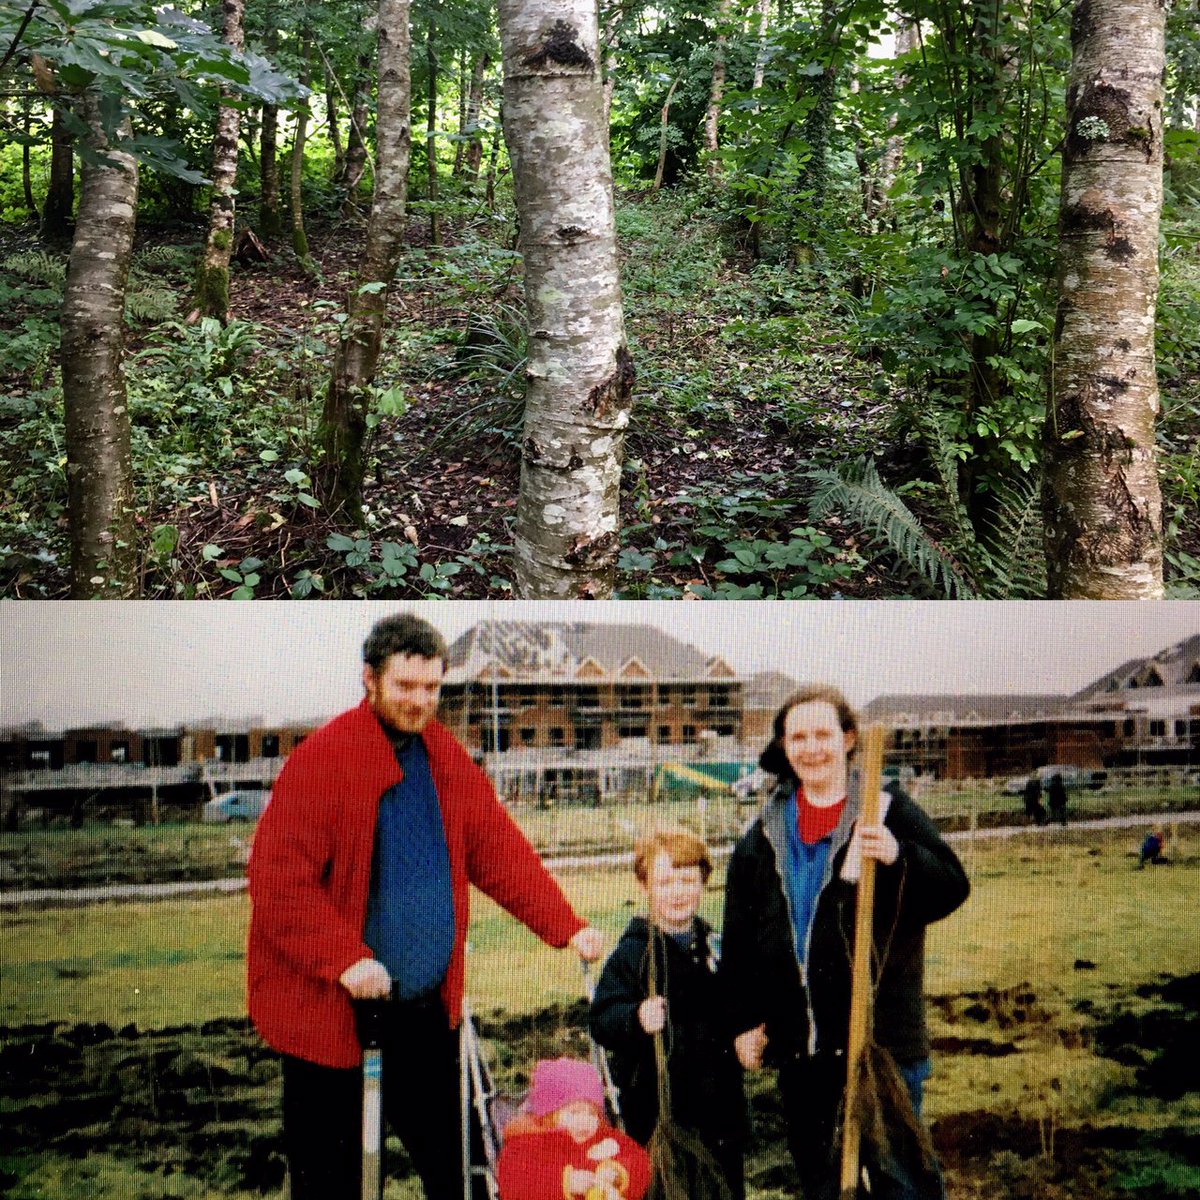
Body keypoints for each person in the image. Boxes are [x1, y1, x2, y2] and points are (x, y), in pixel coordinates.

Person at [247, 613, 604, 1200]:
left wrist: (565, 926)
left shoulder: (446, 759)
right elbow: (280, 881)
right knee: (333, 1184)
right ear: (370, 679)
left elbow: (500, 852)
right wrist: (345, 959)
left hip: (427, 1017)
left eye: (432, 688)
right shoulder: (324, 760)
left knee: (463, 1173)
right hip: (335, 1019)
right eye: (406, 687)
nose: (420, 701)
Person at [720, 684, 970, 1200]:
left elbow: (951, 886)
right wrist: (744, 1021)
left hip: (880, 1041)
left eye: (822, 734)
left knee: (900, 1181)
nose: (811, 748)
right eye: (797, 737)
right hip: (801, 1048)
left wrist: (901, 856)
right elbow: (740, 939)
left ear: (849, 738)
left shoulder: (883, 808)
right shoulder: (763, 833)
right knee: (821, 1182)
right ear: (784, 747)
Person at [589, 829, 747, 1200]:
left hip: (719, 1110)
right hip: (659, 1115)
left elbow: (737, 1005)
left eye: (688, 880)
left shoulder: (715, 946)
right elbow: (602, 1019)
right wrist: (635, 1018)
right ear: (644, 885)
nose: (678, 891)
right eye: (665, 881)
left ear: (704, 882)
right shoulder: (633, 955)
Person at [498, 1058, 652, 1200]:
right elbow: (514, 1183)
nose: (585, 1121)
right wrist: (566, 1182)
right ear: (550, 1114)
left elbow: (639, 1162)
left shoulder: (606, 1137)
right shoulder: (526, 1144)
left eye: (593, 1114)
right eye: (574, 1113)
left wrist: (617, 1173)